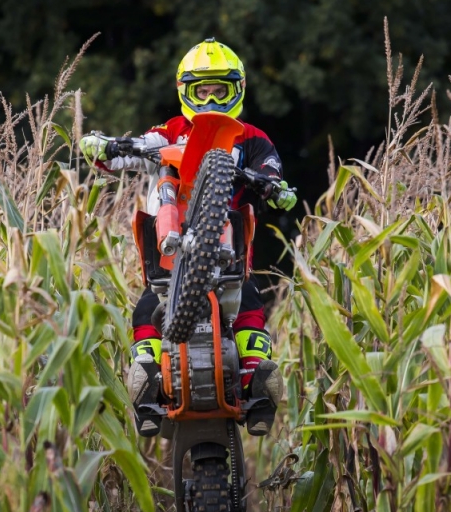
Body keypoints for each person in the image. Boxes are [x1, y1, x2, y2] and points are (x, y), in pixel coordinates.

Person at [79, 38, 295, 436]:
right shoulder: (170, 131)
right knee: (147, 308)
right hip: (169, 251)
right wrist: (105, 148)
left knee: (249, 303)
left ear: (237, 91)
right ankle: (147, 377)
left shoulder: (252, 138)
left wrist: (273, 186)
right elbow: (137, 149)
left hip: (230, 253)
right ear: (185, 92)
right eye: (202, 91)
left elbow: (272, 172)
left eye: (220, 92)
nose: (210, 101)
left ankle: (256, 379)